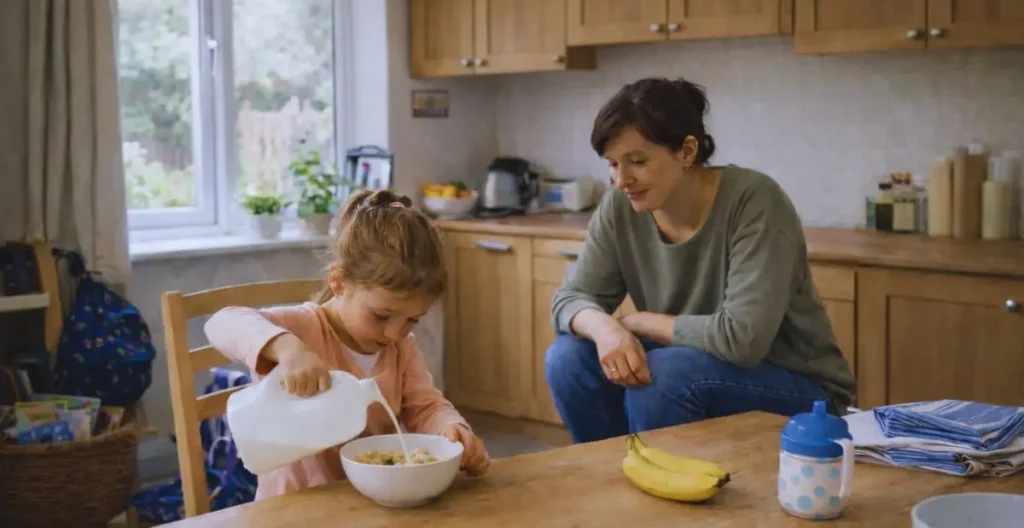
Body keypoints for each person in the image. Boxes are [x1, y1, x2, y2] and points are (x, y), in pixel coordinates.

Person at [545, 77, 856, 444]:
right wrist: (606, 329)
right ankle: (616, 481)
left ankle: (664, 487)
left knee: (664, 373)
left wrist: (637, 321)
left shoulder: (754, 200)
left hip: (801, 390)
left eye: (637, 161)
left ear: (687, 151)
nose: (621, 180)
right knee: (568, 359)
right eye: (612, 165)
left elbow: (741, 340)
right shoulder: (621, 206)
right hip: (689, 364)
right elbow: (569, 299)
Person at [206, 189, 491, 500]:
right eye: (382, 316)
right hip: (294, 507)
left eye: (413, 320)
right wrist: (285, 347)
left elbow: (426, 407)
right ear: (338, 283)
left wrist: (451, 429)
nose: (395, 334)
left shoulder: (401, 350)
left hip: (370, 504)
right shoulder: (301, 329)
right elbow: (222, 322)